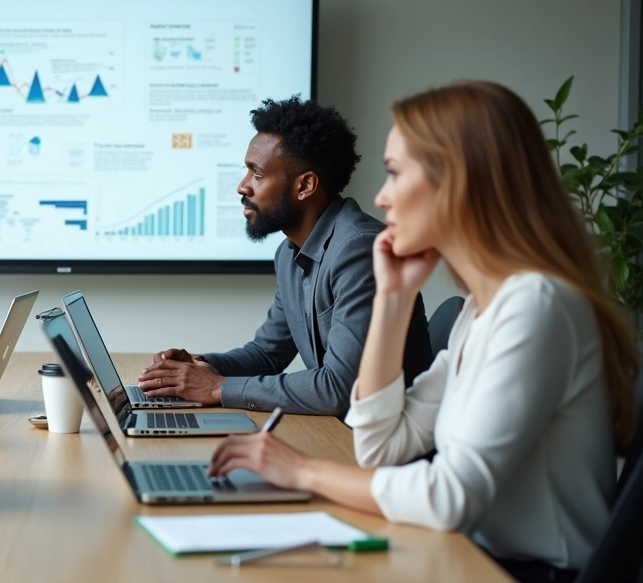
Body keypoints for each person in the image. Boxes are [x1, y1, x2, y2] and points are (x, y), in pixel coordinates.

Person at [208, 81, 638, 582]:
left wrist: (301, 470)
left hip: (522, 572)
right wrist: (393, 300)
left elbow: (449, 496)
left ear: (458, 182)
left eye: (394, 174)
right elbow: (382, 448)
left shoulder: (535, 307)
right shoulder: (484, 310)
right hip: (471, 558)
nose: (381, 197)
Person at [139, 96, 432, 416]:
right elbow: (266, 353)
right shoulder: (289, 253)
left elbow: (340, 388)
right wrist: (201, 366)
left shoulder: (360, 250)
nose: (242, 186)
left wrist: (215, 387)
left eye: (257, 174)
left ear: (305, 185)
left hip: (386, 448)